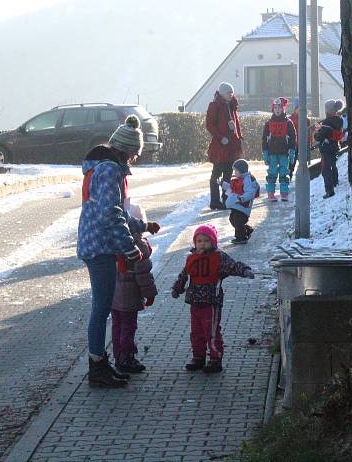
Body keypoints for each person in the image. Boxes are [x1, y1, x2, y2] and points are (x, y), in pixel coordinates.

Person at [77, 115, 161, 388]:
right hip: (100, 247)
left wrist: (142, 225)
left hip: (96, 244)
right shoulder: (110, 171)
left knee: (102, 309)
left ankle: (100, 363)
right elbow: (111, 215)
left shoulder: (100, 168)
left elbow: (119, 213)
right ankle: (97, 367)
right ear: (127, 152)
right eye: (135, 155)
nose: (135, 160)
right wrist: (130, 247)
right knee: (101, 309)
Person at [171, 224, 255, 373]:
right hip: (195, 302)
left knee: (212, 331)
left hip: (211, 302)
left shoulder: (218, 257)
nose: (202, 244)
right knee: (196, 332)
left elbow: (233, 266)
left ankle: (215, 359)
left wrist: (245, 270)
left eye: (206, 241)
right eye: (199, 241)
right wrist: (177, 288)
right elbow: (184, 275)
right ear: (195, 243)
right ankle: (198, 357)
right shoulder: (192, 258)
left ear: (213, 242)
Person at [111, 203, 158, 374]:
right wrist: (150, 294)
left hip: (113, 295)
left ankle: (118, 356)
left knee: (117, 326)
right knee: (128, 327)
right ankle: (127, 358)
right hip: (130, 296)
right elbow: (143, 274)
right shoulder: (139, 245)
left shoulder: (114, 242)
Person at [206, 82, 243, 210]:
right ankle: (215, 200)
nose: (231, 95)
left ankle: (226, 199)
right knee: (216, 173)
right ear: (222, 93)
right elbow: (210, 125)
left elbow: (236, 123)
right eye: (229, 93)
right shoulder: (214, 106)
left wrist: (239, 137)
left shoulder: (232, 106)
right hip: (220, 147)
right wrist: (221, 138)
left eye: (232, 93)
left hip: (231, 146)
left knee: (228, 173)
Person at [262, 97, 296, 202]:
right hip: (272, 153)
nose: (277, 110)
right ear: (273, 109)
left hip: (284, 153)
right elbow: (264, 138)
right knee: (272, 173)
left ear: (283, 109)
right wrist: (265, 152)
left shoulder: (288, 123)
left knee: (284, 172)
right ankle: (271, 193)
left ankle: (284, 193)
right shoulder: (268, 123)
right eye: (275, 107)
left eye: (280, 108)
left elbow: (293, 137)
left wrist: (292, 151)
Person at [221, 159, 260, 244]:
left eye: (236, 170)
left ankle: (241, 237)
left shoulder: (247, 180)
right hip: (236, 205)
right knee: (232, 219)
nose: (234, 173)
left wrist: (243, 198)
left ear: (241, 170)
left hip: (243, 206)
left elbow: (250, 192)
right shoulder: (238, 179)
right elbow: (232, 189)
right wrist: (222, 184)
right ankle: (246, 230)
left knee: (238, 220)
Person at [314, 99, 345, 198]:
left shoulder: (327, 122)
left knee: (325, 170)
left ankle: (329, 190)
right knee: (333, 165)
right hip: (335, 146)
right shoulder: (339, 120)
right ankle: (335, 182)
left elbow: (320, 136)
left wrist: (317, 132)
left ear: (328, 110)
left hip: (326, 148)